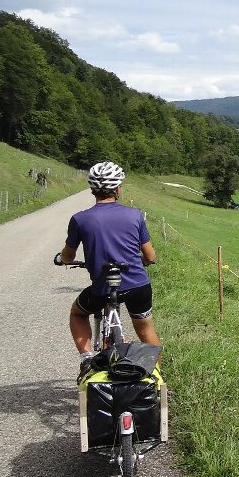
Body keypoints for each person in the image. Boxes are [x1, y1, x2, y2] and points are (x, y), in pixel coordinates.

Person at [54, 161, 160, 380]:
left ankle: (87, 360)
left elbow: (68, 256)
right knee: (145, 331)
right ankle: (156, 381)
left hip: (103, 289)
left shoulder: (80, 219)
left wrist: (61, 259)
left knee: (77, 313)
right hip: (137, 286)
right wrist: (142, 262)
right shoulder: (135, 215)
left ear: (93, 189)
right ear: (118, 188)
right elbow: (150, 256)